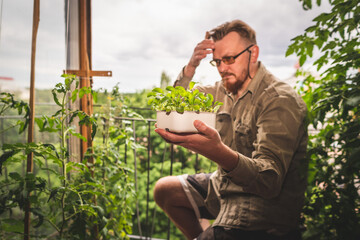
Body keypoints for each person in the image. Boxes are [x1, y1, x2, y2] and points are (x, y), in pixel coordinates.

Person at [153, 19, 308, 240]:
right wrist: (191, 68)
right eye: (217, 62)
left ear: (253, 53)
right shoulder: (223, 89)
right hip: (224, 187)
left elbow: (269, 182)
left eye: (229, 59)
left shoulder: (279, 100)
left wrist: (217, 152)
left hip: (263, 208)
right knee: (165, 190)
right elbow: (174, 109)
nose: (222, 69)